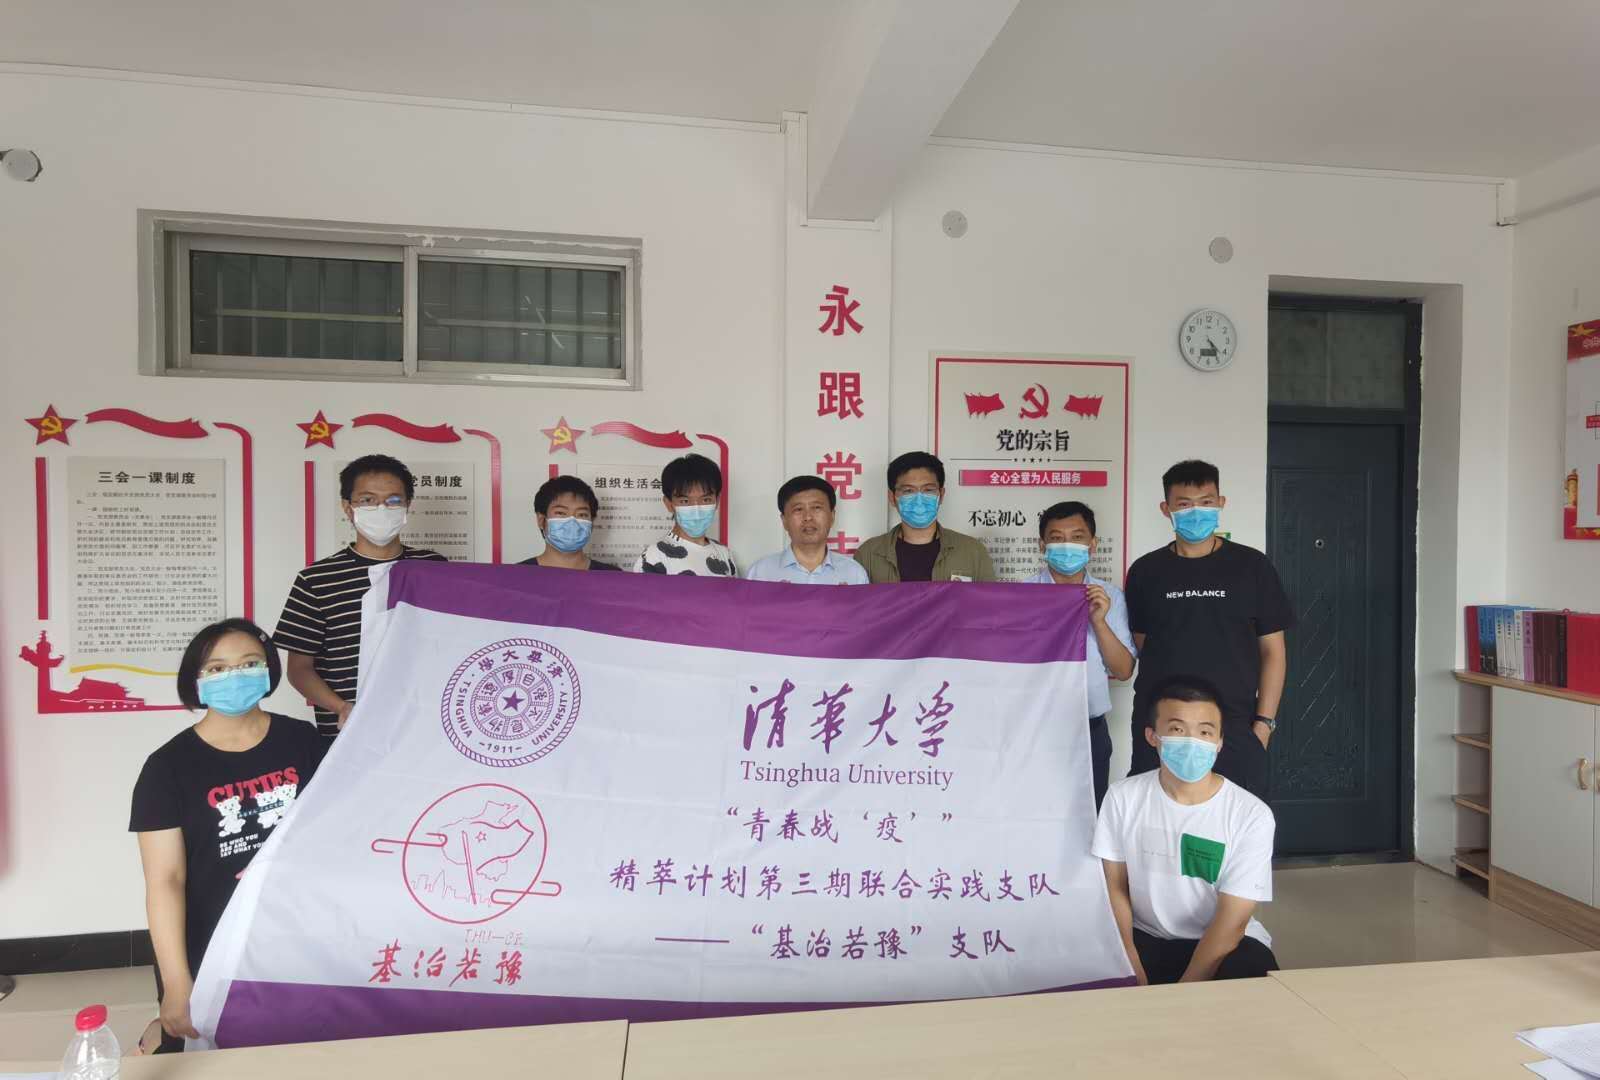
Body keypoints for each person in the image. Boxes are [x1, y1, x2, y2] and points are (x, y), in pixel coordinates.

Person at [129, 619, 327, 1053]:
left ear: (269, 669)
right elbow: (165, 881)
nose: (235, 676)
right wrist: (177, 983)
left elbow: (329, 835)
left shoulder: (304, 741)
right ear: (195, 681)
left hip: (293, 931)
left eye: (249, 663)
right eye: (217, 668)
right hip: (212, 940)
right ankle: (156, 1034)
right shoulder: (166, 769)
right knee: (209, 1049)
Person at [1094, 675, 1278, 985]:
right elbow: (1115, 888)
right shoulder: (1122, 797)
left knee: (1252, 969)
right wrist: (1131, 967)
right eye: (1178, 729)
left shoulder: (1251, 815)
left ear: (1219, 743)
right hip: (1145, 937)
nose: (1193, 742)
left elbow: (1232, 919)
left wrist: (1184, 992)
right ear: (1153, 736)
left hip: (1220, 943)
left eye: (1205, 732)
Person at [1123, 460, 1292, 796]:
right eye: (1184, 504)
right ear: (1166, 509)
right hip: (1161, 725)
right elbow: (1143, 643)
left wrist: (1263, 725)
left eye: (1206, 502)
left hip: (1233, 726)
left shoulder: (1252, 566)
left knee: (1234, 818)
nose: (1196, 512)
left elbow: (1273, 652)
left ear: (1221, 503)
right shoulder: (1145, 571)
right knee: (1154, 813)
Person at [275, 455, 446, 737]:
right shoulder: (316, 579)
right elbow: (299, 669)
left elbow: (449, 642)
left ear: (407, 506)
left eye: (393, 500)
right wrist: (342, 707)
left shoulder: (434, 568)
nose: (382, 508)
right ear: (348, 507)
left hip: (421, 728)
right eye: (367, 500)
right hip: (346, 733)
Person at [1022, 501, 1136, 808]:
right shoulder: (1021, 595)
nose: (1067, 546)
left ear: (1092, 544)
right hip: (1032, 725)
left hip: (1090, 728)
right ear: (1042, 545)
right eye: (1056, 538)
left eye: (1077, 537)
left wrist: (1099, 622)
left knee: (1089, 816)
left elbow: (1123, 670)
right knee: (1032, 814)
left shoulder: (1111, 597)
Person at [854, 452, 996, 583]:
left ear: (941, 495)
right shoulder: (868, 554)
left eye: (928, 490)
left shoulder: (973, 552)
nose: (919, 500)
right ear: (892, 497)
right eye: (908, 491)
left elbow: (988, 601)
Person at [746, 475, 869, 585]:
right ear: (784, 520)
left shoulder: (854, 574)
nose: (808, 517)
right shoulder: (760, 574)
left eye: (816, 508)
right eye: (798, 509)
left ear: (832, 516)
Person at [633, 453, 739, 576]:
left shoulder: (724, 554)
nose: (696, 510)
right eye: (685, 501)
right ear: (669, 504)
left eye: (706, 500)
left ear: (717, 501)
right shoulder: (653, 557)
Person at [520, 475, 621, 571]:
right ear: (541, 520)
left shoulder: (613, 576)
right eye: (561, 513)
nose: (572, 522)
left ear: (592, 523)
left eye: (582, 514)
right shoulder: (517, 575)